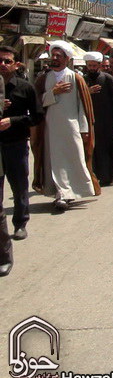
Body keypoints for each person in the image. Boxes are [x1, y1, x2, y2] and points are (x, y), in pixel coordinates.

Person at [31, 41, 100, 210]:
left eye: (58, 56)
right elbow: (36, 102)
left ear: (67, 59)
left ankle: (71, 192)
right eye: (52, 55)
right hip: (50, 128)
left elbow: (82, 106)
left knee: (73, 160)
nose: (54, 58)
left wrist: (84, 129)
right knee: (53, 161)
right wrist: (52, 93)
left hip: (72, 128)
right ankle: (59, 194)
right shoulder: (43, 78)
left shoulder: (76, 78)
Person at [0, 46, 43, 246]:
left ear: (16, 64)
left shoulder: (25, 87)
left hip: (15, 144)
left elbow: (36, 117)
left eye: (7, 61)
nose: (2, 64)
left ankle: (20, 223)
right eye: (0, 60)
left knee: (18, 186)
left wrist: (13, 120)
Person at [83, 52, 113, 186]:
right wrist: (87, 92)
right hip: (89, 121)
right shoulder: (82, 79)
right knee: (92, 150)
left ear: (99, 65)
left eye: (94, 65)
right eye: (89, 65)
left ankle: (108, 176)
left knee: (107, 149)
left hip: (107, 122)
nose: (91, 67)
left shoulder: (107, 79)